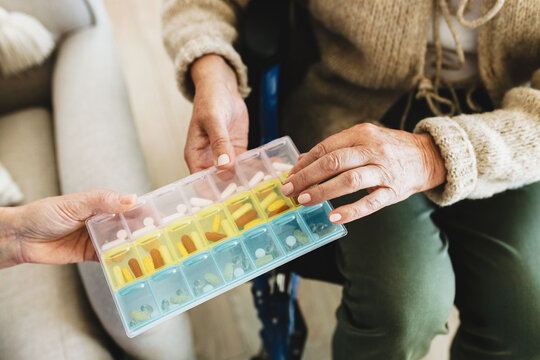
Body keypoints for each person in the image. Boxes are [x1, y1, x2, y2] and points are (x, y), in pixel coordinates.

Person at [162, 0, 540, 358]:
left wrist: (432, 155)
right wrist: (215, 71)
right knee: (401, 311)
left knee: (526, 316)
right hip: (349, 107)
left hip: (512, 127)